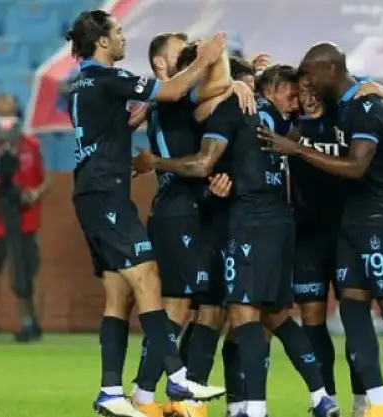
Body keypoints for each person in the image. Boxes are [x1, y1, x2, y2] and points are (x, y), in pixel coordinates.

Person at [259, 41, 383, 417]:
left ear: (330, 72)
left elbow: (359, 165)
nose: (305, 84)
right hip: (352, 223)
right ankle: (378, 406)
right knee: (352, 310)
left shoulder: (367, 105)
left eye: (310, 75)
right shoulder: (339, 106)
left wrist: (298, 149)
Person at [134, 56, 340, 417]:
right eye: (291, 95)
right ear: (273, 89)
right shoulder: (277, 118)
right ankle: (321, 396)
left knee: (244, 315)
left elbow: (202, 163)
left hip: (251, 223)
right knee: (276, 316)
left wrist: (154, 163)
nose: (294, 103)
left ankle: (253, 409)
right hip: (280, 222)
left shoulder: (235, 106)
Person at [65, 10, 226, 417]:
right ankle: (176, 375)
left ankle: (110, 391)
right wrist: (205, 59)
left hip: (92, 193)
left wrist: (137, 117)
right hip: (106, 196)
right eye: (118, 32)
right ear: (102, 41)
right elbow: (171, 91)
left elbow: (113, 126)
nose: (123, 38)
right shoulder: (110, 78)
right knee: (148, 276)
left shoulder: (81, 85)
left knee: (118, 295)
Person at [130, 34, 255, 417]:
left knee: (193, 307)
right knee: (175, 307)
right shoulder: (171, 97)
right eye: (180, 49)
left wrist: (237, 83)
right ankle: (144, 394)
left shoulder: (168, 101)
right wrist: (234, 84)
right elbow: (210, 91)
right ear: (159, 63)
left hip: (188, 212)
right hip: (177, 212)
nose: (192, 55)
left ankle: (168, 394)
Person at [290, 76, 383, 417]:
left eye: (313, 90)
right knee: (312, 318)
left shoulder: (348, 118)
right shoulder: (290, 126)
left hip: (349, 231)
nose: (307, 97)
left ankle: (364, 401)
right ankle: (325, 400)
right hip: (308, 236)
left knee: (355, 316)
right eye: (301, 91)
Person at [0, 93, 50, 343]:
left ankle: (31, 323)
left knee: (27, 272)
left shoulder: (31, 144)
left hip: (25, 220)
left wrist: (34, 193)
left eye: (10, 112)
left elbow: (46, 181)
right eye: (0, 113)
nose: (5, 118)